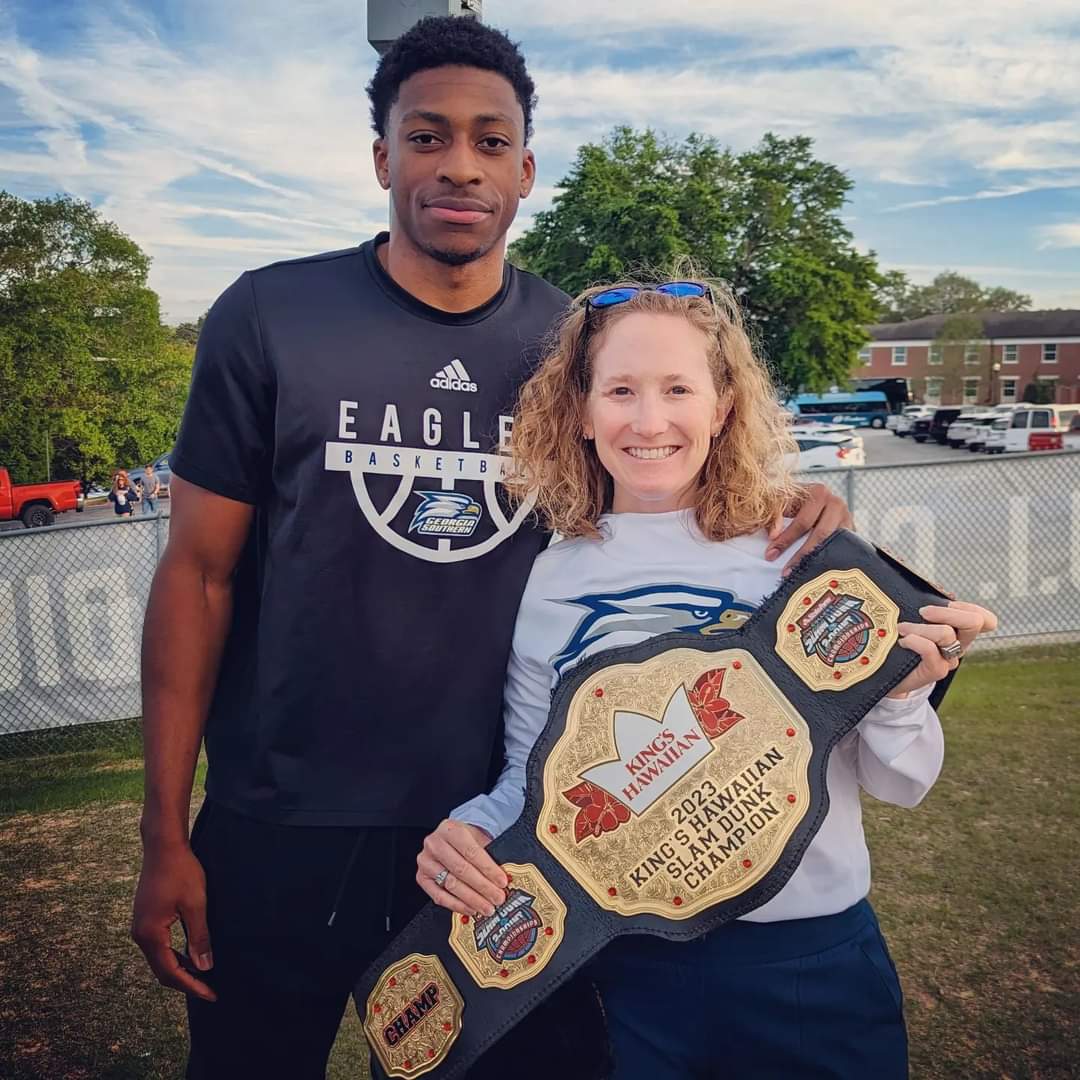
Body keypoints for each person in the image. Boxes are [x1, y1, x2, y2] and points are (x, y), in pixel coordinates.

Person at [130, 18, 850, 1080]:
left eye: (488, 140)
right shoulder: (272, 315)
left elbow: (673, 476)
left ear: (525, 167)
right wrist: (163, 830)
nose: (458, 164)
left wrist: (797, 506)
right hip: (279, 822)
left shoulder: (576, 346)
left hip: (509, 836)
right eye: (426, 138)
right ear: (382, 157)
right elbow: (197, 575)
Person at [417, 277, 998, 1079]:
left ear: (723, 407)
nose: (649, 420)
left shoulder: (800, 554)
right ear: (580, 412)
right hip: (630, 968)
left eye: (678, 389)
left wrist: (902, 691)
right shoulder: (548, 581)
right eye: (620, 390)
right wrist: (470, 833)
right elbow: (537, 778)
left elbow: (903, 785)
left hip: (810, 963)